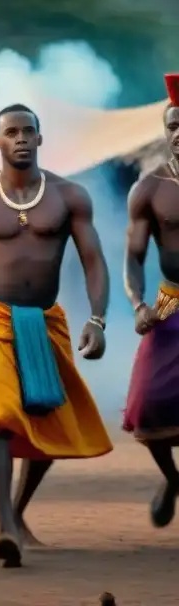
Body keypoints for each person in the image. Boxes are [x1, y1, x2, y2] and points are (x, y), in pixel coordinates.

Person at [0, 103, 112, 568]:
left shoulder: (69, 196)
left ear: (40, 139)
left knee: (47, 415)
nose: (20, 138)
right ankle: (5, 530)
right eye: (10, 132)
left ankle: (16, 513)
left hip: (45, 319)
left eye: (28, 131)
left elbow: (94, 261)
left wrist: (97, 320)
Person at [121, 72, 179, 528]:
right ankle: (172, 479)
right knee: (146, 404)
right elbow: (133, 259)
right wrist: (138, 304)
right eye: (173, 126)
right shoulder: (149, 189)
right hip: (169, 302)